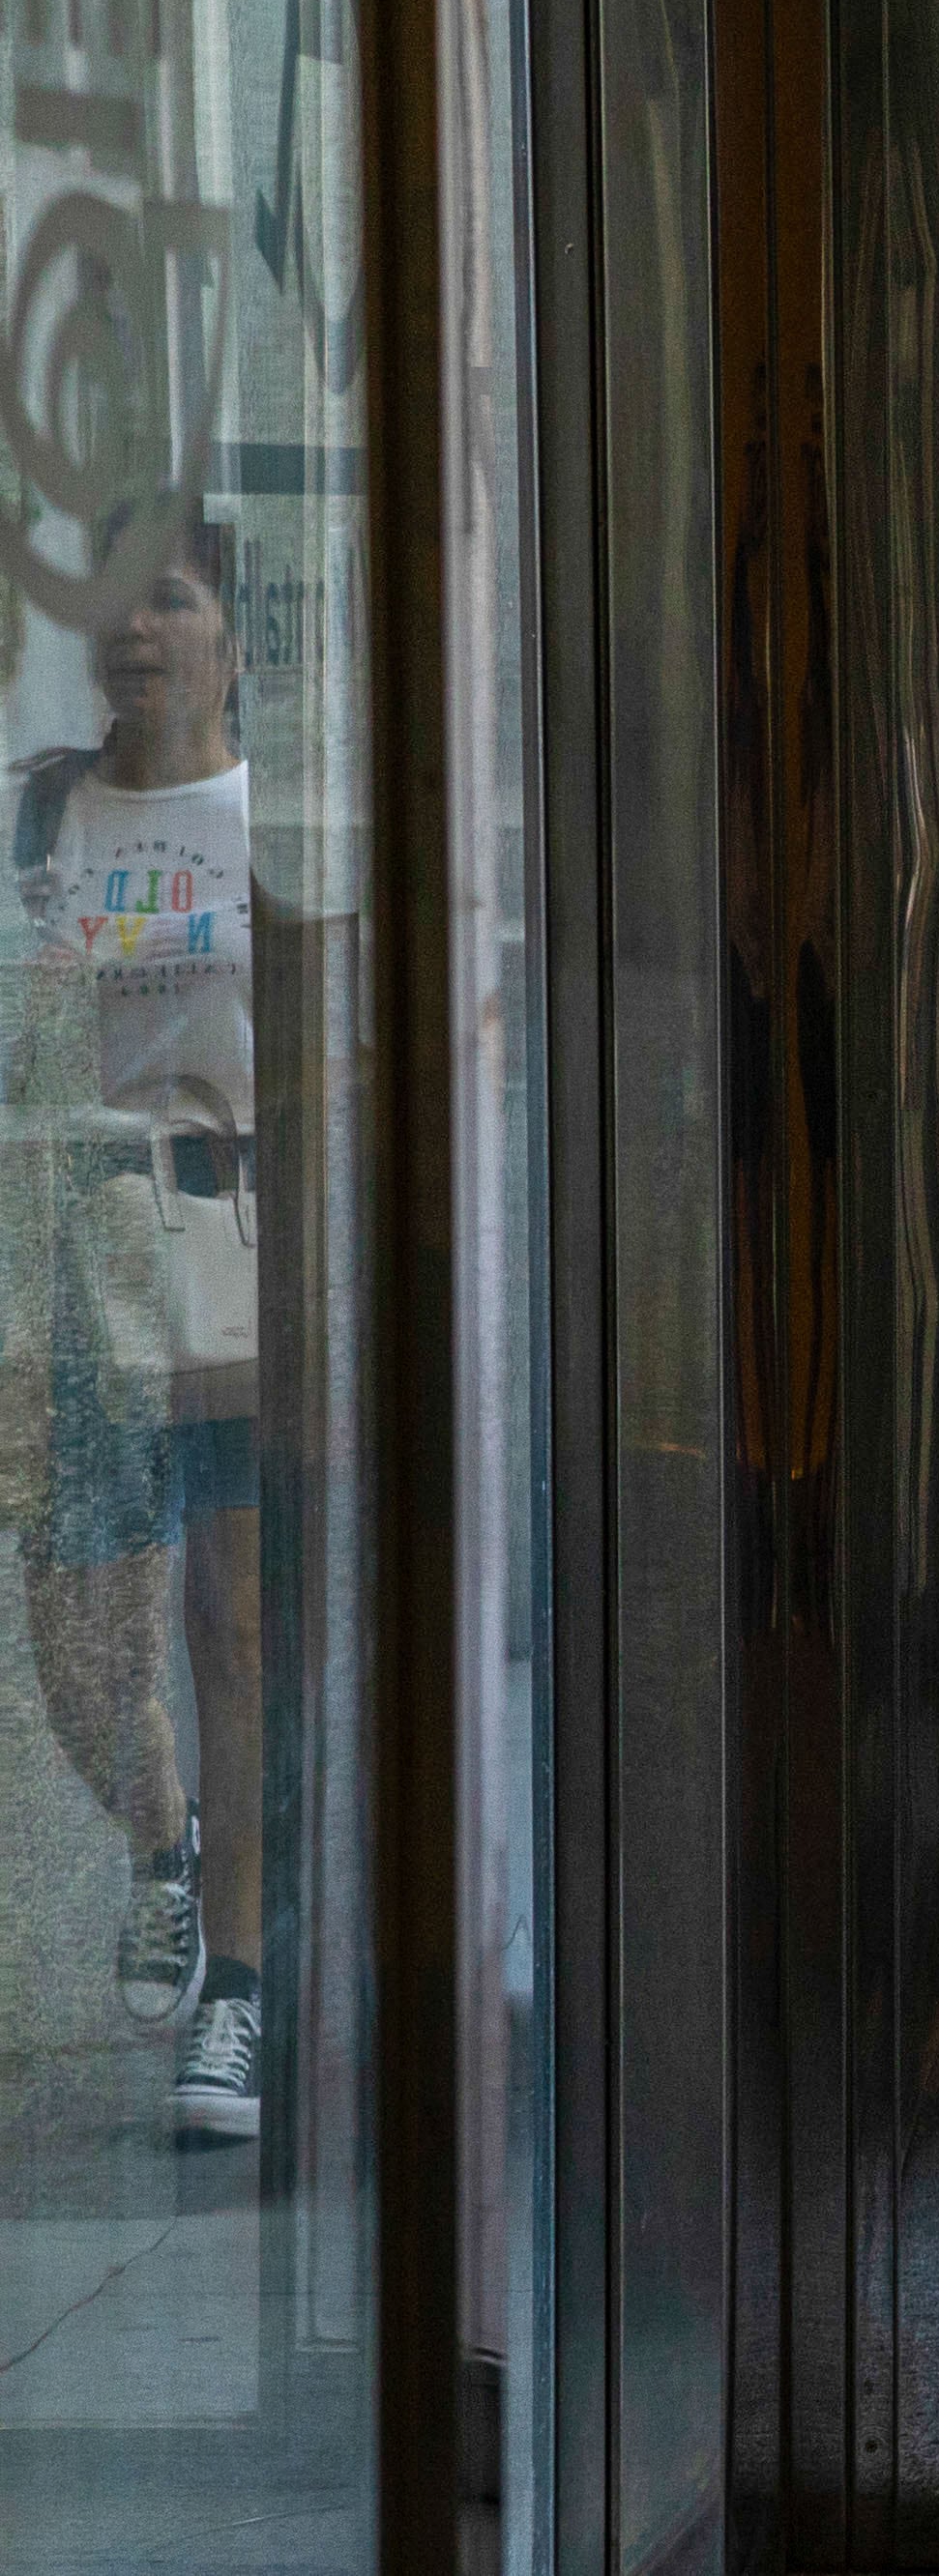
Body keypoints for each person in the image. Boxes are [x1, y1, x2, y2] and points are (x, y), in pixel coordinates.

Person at [8, 540, 268, 2144]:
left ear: (232, 632)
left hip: (238, 1252)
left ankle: (234, 1981)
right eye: (113, 605)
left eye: (169, 597)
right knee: (81, 1642)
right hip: (72, 1253)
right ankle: (157, 1836)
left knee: (234, 1622)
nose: (136, 631)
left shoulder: (274, 821)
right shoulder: (36, 815)